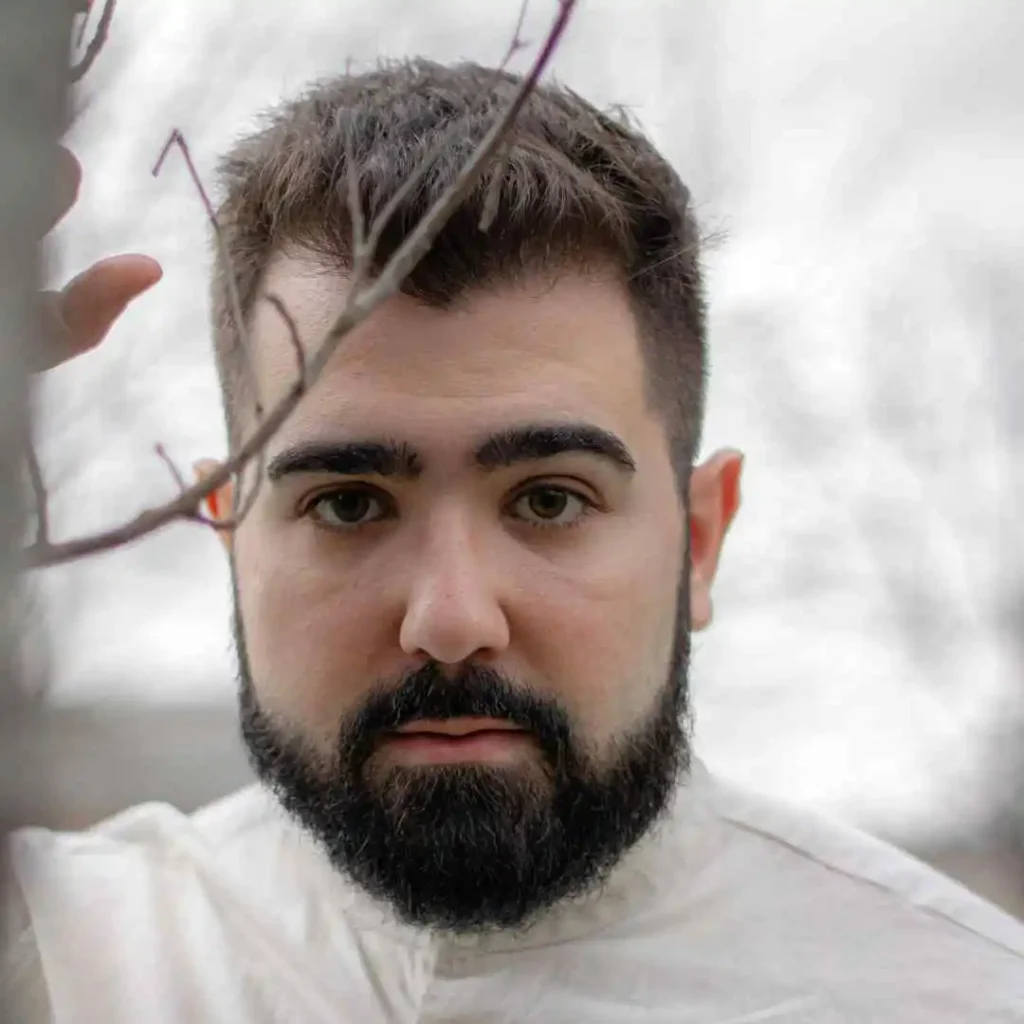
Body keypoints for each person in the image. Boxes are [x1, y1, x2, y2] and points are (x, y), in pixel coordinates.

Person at [4, 58, 1023, 1023]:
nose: (451, 620)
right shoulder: (60, 954)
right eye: (349, 504)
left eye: (548, 500)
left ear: (699, 540)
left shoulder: (953, 997)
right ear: (226, 532)